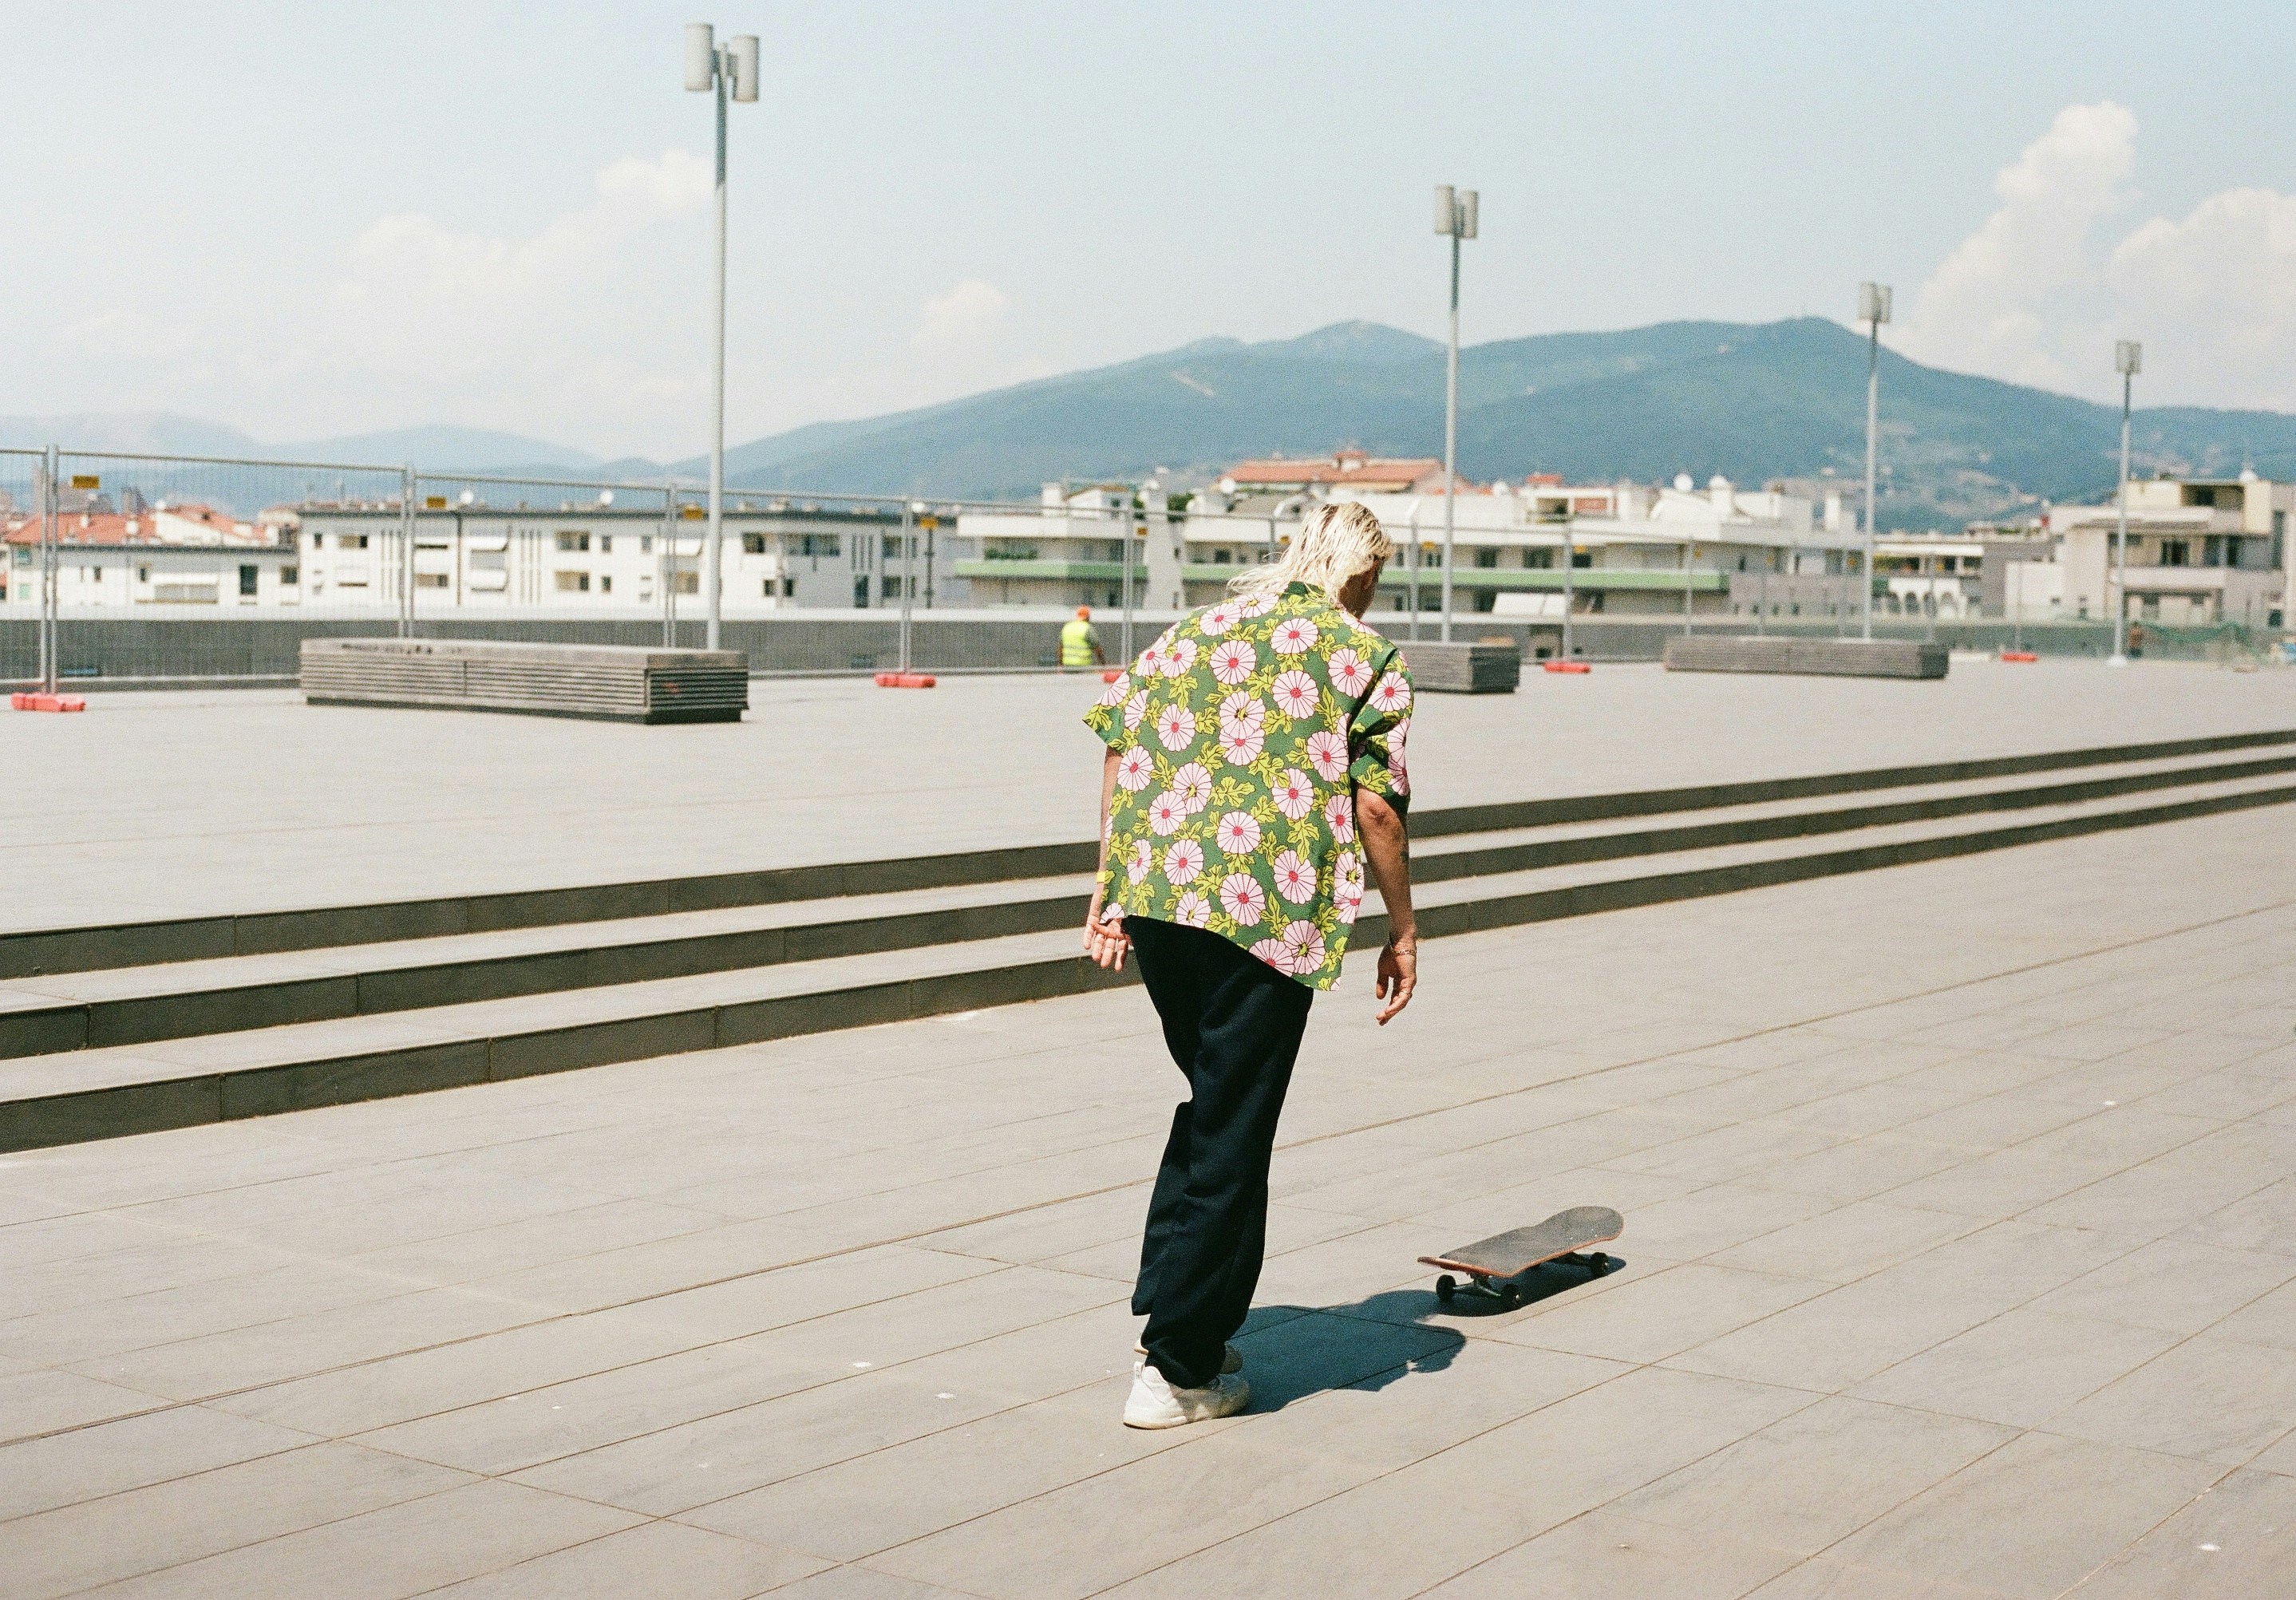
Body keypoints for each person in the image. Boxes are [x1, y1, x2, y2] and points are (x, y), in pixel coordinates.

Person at [1081, 500, 1418, 1429]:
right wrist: (1402, 928)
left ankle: (1179, 1315)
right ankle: (1177, 1369)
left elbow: (1119, 742)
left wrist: (1108, 883)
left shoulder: (1194, 631)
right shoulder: (1363, 654)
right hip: (1263, 912)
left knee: (1213, 1100)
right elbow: (1378, 808)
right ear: (1362, 572)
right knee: (1234, 1123)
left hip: (1161, 899)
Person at [1061, 605, 1106, 670]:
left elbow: (1061, 648)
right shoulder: (1087, 628)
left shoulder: (1067, 627)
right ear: (1088, 616)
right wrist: (1103, 664)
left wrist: (1061, 665)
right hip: (1083, 666)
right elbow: (1097, 648)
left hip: (1067, 666)